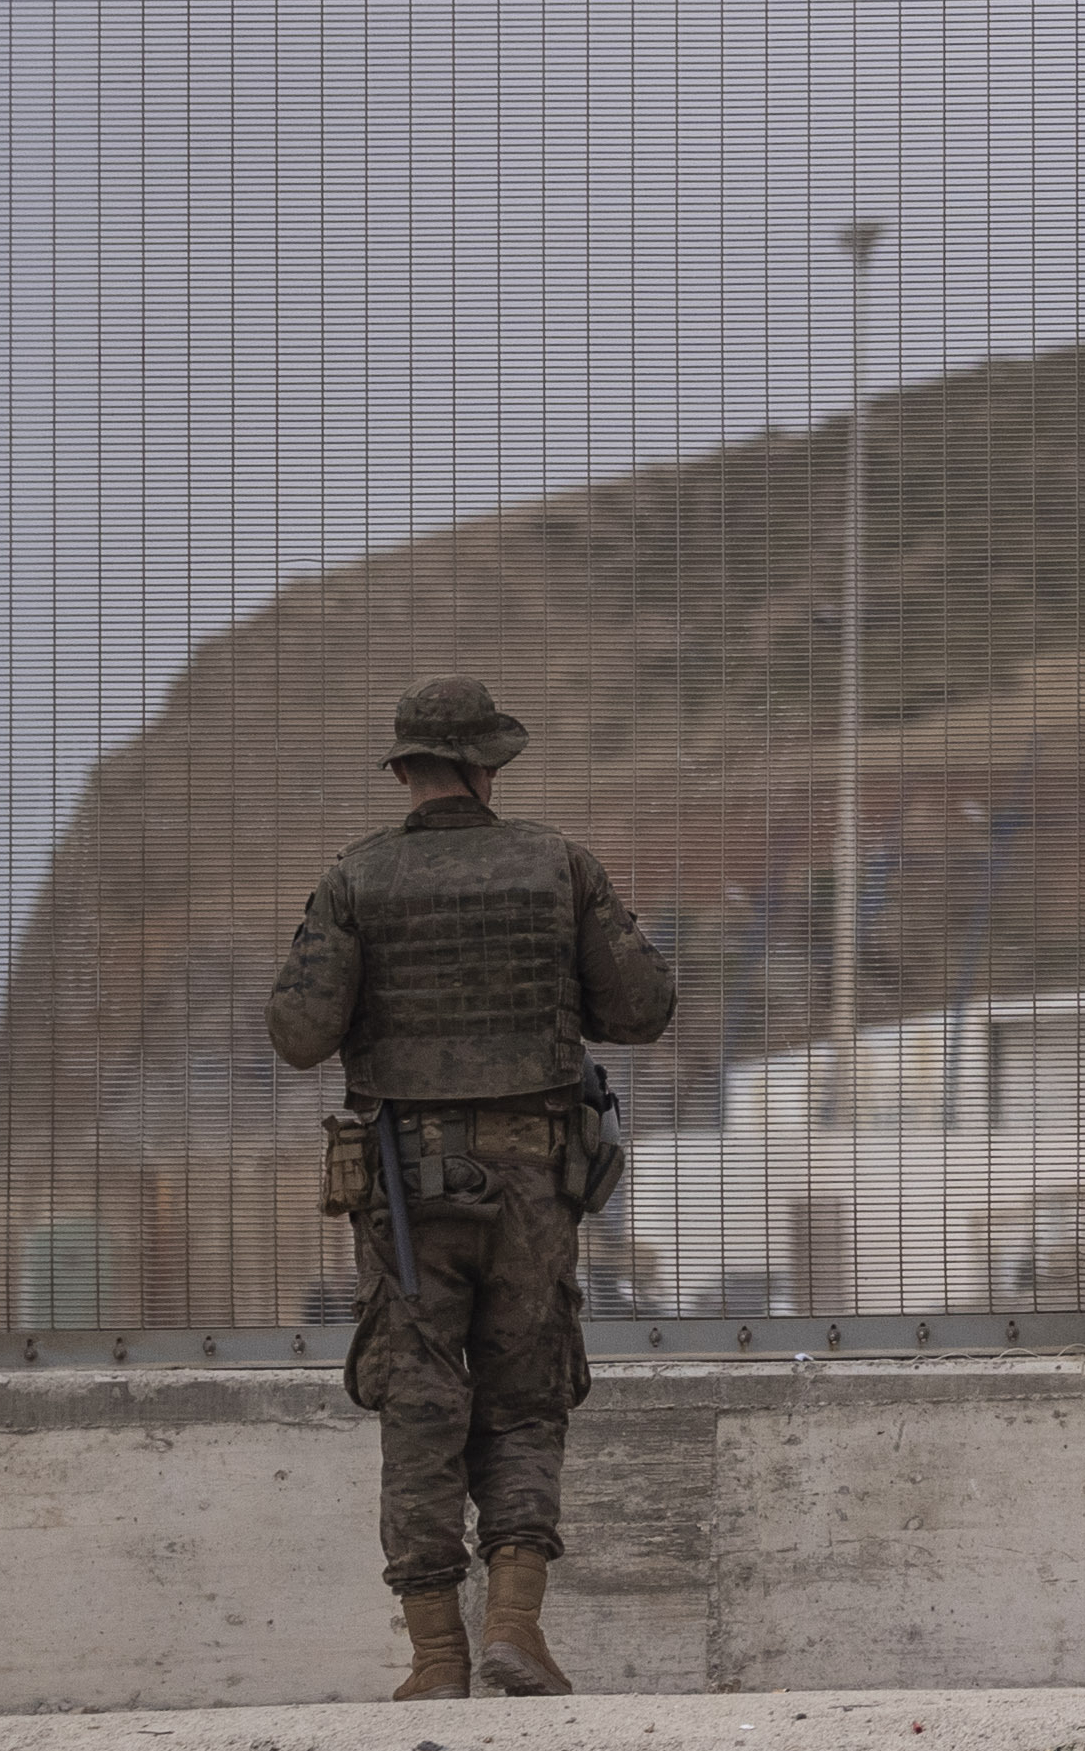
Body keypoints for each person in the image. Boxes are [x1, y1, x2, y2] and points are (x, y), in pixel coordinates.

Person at [267, 677, 676, 1698]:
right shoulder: (556, 864)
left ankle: (437, 1656)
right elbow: (643, 1005)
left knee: (419, 1402)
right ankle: (517, 1625)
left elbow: (299, 1032)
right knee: (527, 1397)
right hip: (537, 1173)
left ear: (405, 767)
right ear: (489, 766)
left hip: (407, 1182)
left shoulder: (354, 879)